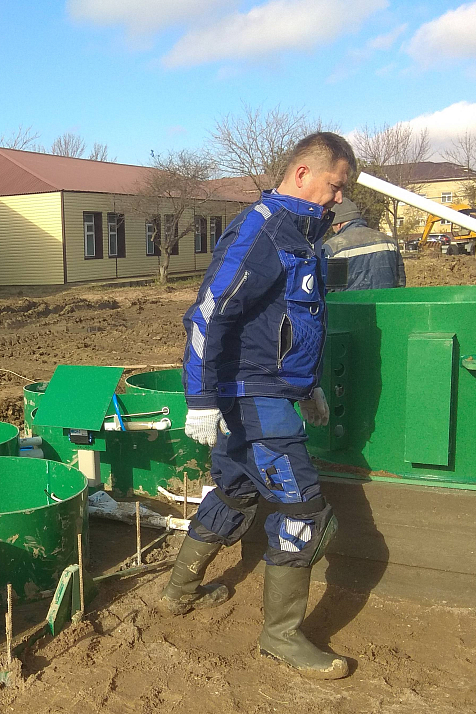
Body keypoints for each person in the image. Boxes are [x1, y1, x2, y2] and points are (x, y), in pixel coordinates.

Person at [161, 133, 355, 680]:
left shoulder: (300, 235)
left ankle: (178, 593)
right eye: (334, 186)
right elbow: (208, 315)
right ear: (302, 174)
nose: (338, 199)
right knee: (305, 513)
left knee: (235, 491)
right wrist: (199, 398)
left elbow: (284, 326)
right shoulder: (264, 230)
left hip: (270, 393)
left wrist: (306, 386)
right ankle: (281, 636)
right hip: (252, 401)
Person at [323, 197, 406, 290]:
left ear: (338, 224)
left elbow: (328, 288)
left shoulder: (332, 247)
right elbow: (400, 281)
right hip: (385, 302)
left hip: (349, 304)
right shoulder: (390, 241)